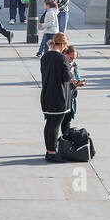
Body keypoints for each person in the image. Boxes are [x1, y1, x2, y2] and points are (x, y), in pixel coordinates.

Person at [40, 32, 74, 162]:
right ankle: (53, 153)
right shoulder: (62, 58)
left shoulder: (45, 56)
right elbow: (67, 77)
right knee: (55, 125)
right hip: (58, 95)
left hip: (46, 94)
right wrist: (70, 70)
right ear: (63, 44)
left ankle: (49, 150)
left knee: (49, 124)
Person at [64, 43, 86, 121]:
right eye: (70, 58)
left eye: (74, 58)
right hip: (63, 96)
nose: (72, 60)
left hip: (71, 95)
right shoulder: (62, 65)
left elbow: (77, 76)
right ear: (65, 54)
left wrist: (80, 82)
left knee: (68, 121)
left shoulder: (74, 64)